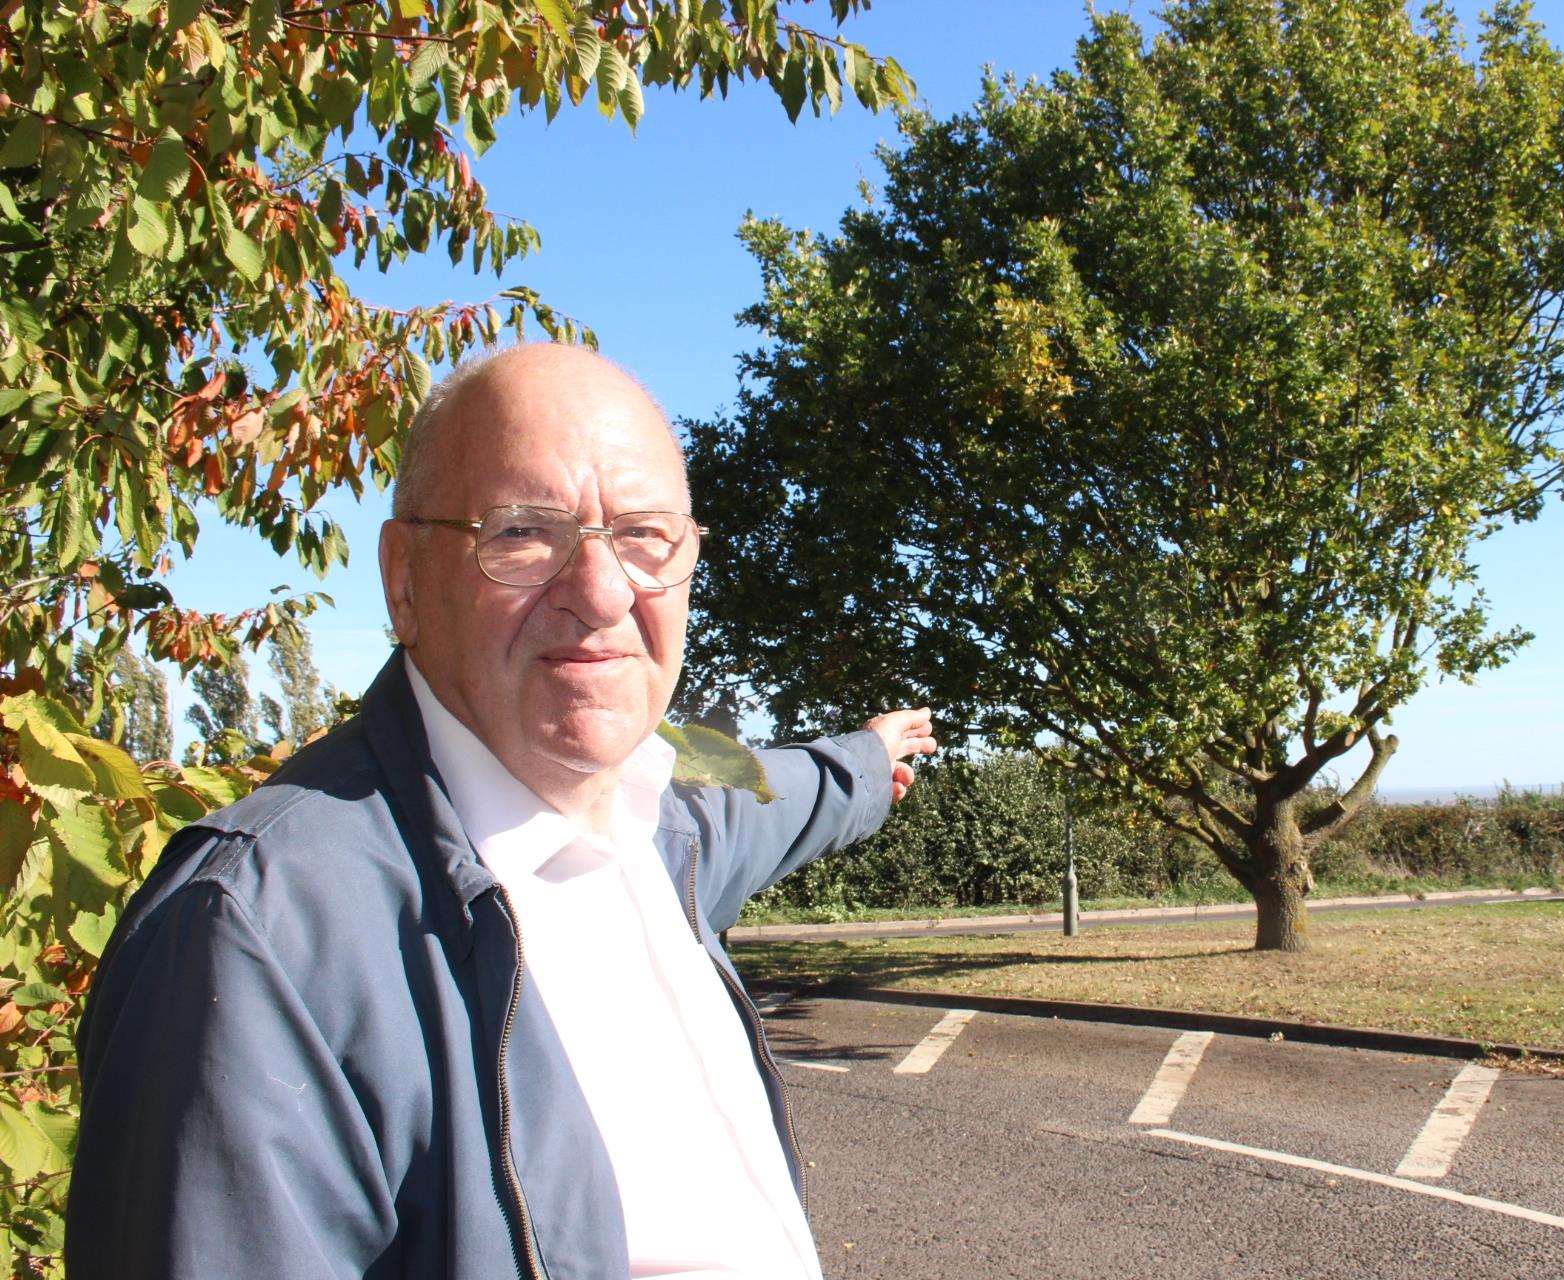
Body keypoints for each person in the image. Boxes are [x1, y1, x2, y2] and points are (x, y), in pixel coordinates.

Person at [68, 343, 936, 1279]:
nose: (602, 594)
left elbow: (786, 798)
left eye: (645, 536)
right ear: (404, 578)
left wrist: (870, 756)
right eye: (522, 533)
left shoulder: (663, 829)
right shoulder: (256, 938)